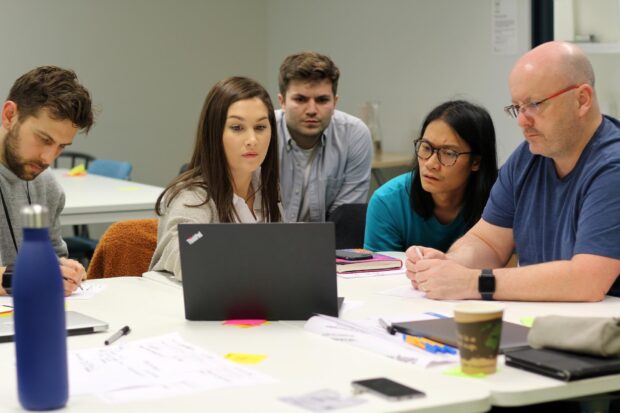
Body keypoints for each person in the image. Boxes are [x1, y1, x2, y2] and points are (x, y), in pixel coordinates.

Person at [407, 41, 620, 301]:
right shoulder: (528, 157)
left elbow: (587, 281)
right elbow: (488, 242)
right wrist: (449, 264)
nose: (522, 120)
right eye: (517, 107)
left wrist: (472, 282)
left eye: (535, 104)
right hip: (547, 319)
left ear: (582, 99)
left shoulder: (612, 167)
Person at [149, 76, 282, 280]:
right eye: (237, 128)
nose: (252, 140)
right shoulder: (193, 196)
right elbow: (184, 248)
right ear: (214, 132)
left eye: (260, 127)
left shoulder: (266, 186)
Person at [0, 66, 94, 296]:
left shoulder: (47, 185)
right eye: (43, 139)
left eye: (61, 147)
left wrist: (66, 272)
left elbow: (53, 258)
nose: (48, 158)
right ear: (10, 115)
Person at [364, 100, 498, 252]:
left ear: (476, 161)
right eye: (426, 148)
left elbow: (507, 269)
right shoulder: (388, 202)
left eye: (448, 153)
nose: (430, 163)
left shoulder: (500, 201)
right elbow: (381, 273)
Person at [276, 51, 373, 222]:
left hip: (330, 243)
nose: (312, 110)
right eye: (300, 99)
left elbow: (345, 220)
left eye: (322, 100)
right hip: (266, 241)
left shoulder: (354, 134)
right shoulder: (262, 131)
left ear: (335, 102)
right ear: (282, 101)